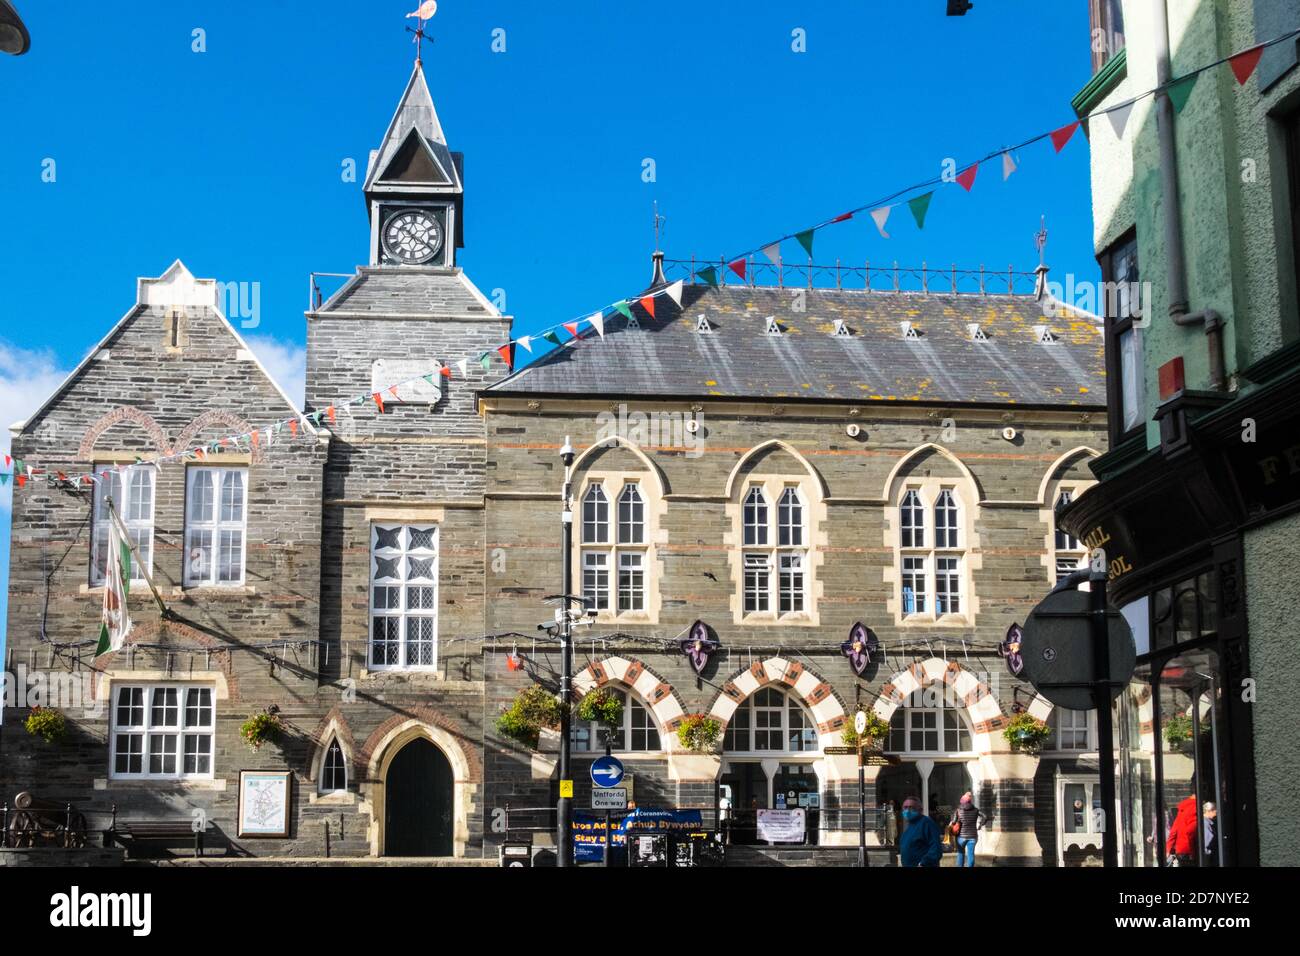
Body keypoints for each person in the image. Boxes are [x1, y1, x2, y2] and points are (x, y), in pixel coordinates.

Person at [898, 796, 942, 867]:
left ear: (920, 810)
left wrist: (924, 863)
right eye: (905, 807)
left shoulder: (927, 823)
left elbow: (936, 849)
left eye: (911, 807)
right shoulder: (910, 826)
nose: (908, 810)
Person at [949, 791, 986, 867]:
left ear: (962, 801)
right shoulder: (976, 810)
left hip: (961, 837)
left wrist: (951, 824)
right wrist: (980, 825)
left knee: (960, 853)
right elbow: (985, 817)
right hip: (973, 836)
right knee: (971, 854)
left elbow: (953, 822)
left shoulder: (958, 810)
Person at [1166, 794, 1198, 866]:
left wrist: (1169, 848)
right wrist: (1193, 852)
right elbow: (1191, 831)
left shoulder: (1183, 809)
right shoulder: (1195, 807)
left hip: (1181, 850)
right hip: (1190, 850)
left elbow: (1174, 830)